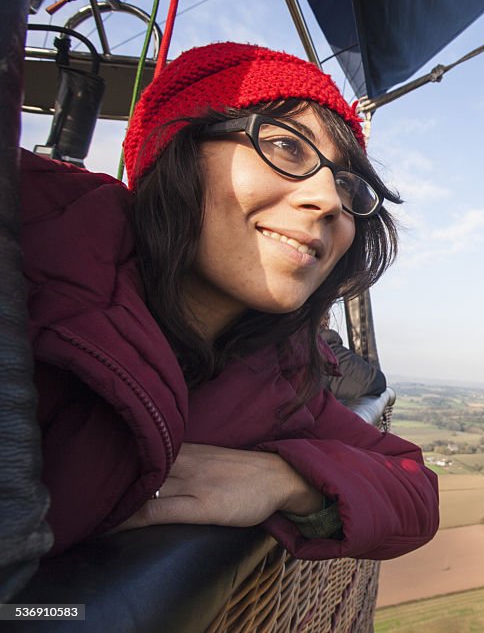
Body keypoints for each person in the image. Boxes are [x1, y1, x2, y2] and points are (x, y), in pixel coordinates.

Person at [22, 42, 439, 560]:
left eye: (347, 187)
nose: (330, 201)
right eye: (288, 148)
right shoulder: (31, 264)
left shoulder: (274, 375)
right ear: (178, 148)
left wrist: (290, 482)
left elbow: (413, 488)